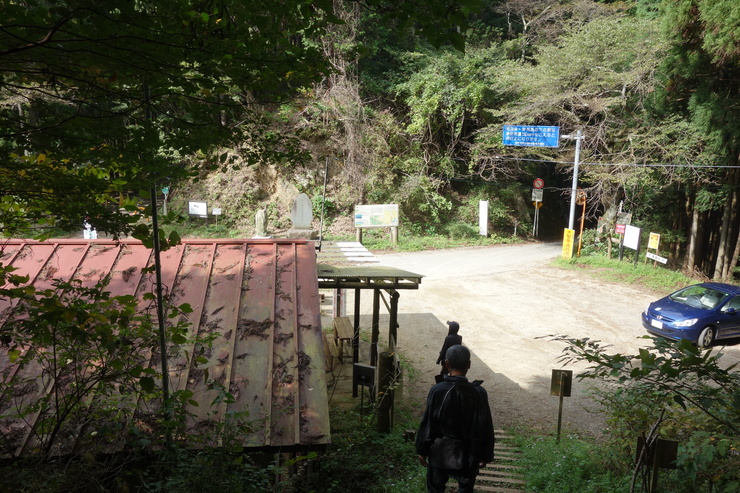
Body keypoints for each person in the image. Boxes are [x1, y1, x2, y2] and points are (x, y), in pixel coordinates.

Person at [416, 345, 495, 493]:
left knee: (435, 488)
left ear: (446, 364)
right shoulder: (479, 392)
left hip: (439, 451)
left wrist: (422, 449)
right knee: (465, 489)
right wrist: (486, 454)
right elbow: (485, 425)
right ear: (469, 365)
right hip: (469, 454)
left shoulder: (438, 390)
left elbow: (428, 424)